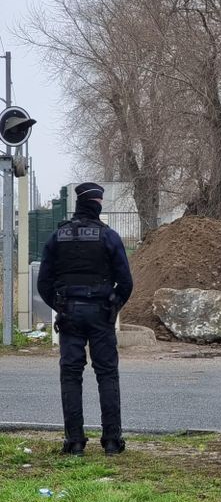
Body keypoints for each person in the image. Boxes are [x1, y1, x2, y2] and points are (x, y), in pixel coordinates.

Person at [38, 183, 133, 456]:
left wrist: (60, 306)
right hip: (101, 313)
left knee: (70, 375)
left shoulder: (58, 236)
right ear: (98, 204)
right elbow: (125, 281)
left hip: (69, 313)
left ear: (78, 204)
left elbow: (44, 282)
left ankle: (75, 442)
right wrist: (113, 305)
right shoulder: (109, 236)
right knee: (106, 374)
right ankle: (112, 442)